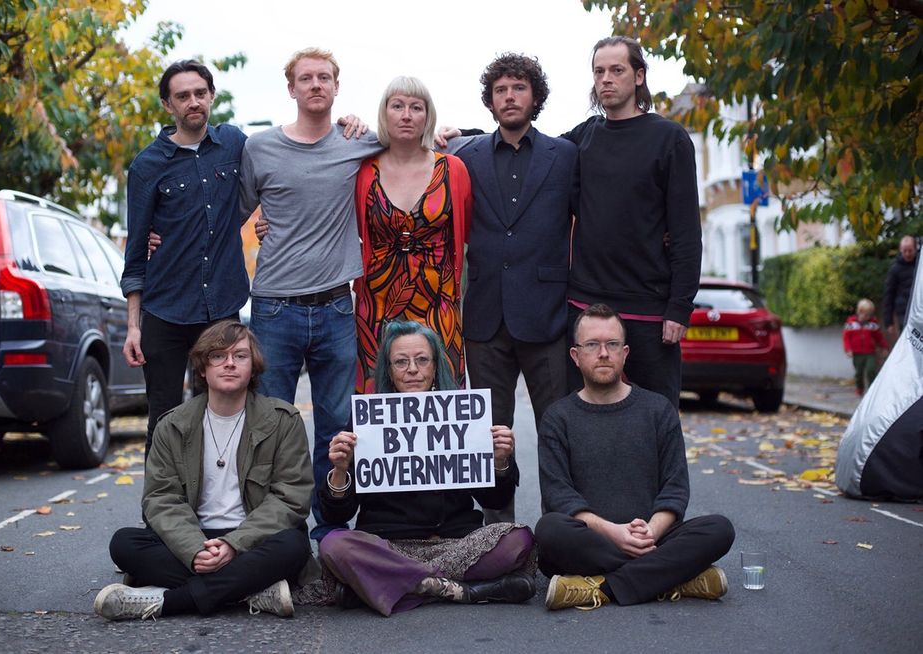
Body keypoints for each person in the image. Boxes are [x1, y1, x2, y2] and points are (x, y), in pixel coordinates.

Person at [239, 47, 384, 541]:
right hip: (275, 306)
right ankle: (277, 530)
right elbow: (227, 211)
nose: (316, 85)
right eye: (306, 78)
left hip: (336, 305)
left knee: (338, 423)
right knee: (272, 424)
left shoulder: (357, 140)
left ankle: (333, 528)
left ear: (337, 87)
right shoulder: (259, 148)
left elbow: (421, 137)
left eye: (325, 77)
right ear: (292, 89)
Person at [309, 321, 536, 616]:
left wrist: (500, 461)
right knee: (334, 545)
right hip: (388, 547)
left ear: (435, 366)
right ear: (388, 372)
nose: (412, 369)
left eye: (422, 360)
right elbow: (337, 515)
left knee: (519, 539)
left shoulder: (463, 415)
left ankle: (388, 585)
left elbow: (495, 500)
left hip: (457, 544)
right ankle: (459, 591)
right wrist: (339, 471)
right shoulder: (365, 423)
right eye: (401, 362)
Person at [95, 321, 317, 621]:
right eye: (217, 356)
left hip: (254, 539)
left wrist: (234, 544)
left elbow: (291, 498)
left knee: (294, 545)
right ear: (202, 368)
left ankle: (168, 602)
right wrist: (195, 549)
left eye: (240, 356)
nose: (229, 363)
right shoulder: (172, 424)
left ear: (253, 367)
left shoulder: (283, 420)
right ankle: (253, 589)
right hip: (194, 536)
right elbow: (161, 498)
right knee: (124, 543)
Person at [441, 54, 575, 524]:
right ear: (490, 101)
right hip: (485, 317)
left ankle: (561, 528)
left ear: (534, 96)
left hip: (548, 316)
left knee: (556, 429)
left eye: (518, 87)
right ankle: (499, 534)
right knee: (491, 435)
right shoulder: (464, 155)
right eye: (500, 90)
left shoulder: (565, 156)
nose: (510, 97)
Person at [535, 303, 734, 611]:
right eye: (592, 344)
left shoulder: (658, 410)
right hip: (592, 541)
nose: (603, 353)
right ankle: (673, 577)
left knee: (719, 529)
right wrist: (614, 533)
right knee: (549, 531)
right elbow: (559, 496)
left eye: (612, 344)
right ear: (576, 356)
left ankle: (602, 587)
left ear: (625, 353)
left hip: (653, 537)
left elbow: (675, 488)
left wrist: (651, 532)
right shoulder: (557, 418)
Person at [562, 36, 702, 408]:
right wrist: (466, 137)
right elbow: (531, 150)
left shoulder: (669, 139)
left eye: (617, 70)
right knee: (585, 426)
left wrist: (680, 307)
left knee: (658, 423)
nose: (606, 79)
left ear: (638, 76)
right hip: (586, 309)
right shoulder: (583, 137)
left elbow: (687, 231)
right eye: (599, 71)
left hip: (649, 312)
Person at [120, 60, 250, 458]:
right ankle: (160, 515)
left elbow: (279, 170)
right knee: (165, 419)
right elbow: (136, 249)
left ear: (211, 96)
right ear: (168, 105)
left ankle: (223, 510)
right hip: (166, 311)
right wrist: (133, 327)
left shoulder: (234, 144)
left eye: (199, 93)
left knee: (226, 415)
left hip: (221, 308)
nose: (193, 102)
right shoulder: (146, 166)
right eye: (182, 96)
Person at [353, 76, 472, 394]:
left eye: (416, 107)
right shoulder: (363, 170)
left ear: (427, 116)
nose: (406, 115)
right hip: (377, 302)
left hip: (439, 302)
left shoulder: (453, 169)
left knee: (443, 398)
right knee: (379, 395)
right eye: (398, 106)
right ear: (384, 114)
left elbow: (472, 230)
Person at [843, 299, 889, 396]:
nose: (867, 317)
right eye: (865, 314)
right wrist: (848, 350)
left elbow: (879, 337)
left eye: (869, 315)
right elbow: (846, 338)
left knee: (871, 370)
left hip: (870, 352)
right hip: (857, 353)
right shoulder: (851, 324)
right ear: (859, 312)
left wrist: (884, 347)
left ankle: (872, 389)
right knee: (858, 373)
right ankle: (859, 388)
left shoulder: (873, 324)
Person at [882, 235, 918, 339]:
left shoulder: (920, 266)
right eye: (905, 251)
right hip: (904, 312)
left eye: (910, 251)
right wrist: (888, 322)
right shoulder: (895, 269)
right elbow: (889, 294)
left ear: (915, 249)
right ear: (900, 250)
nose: (907, 254)